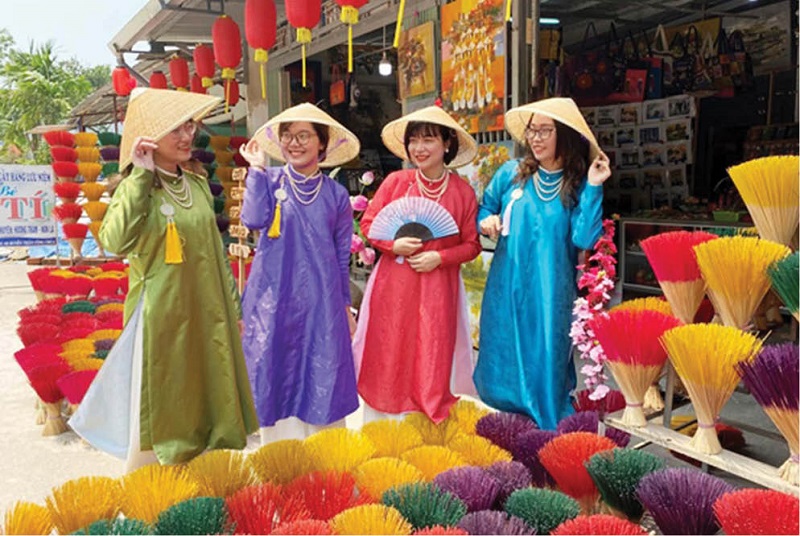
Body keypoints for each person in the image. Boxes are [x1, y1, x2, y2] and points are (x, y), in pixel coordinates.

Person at [70, 88, 258, 471]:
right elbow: (115, 240)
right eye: (175, 129)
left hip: (208, 309)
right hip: (161, 313)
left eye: (189, 126)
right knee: (164, 397)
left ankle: (199, 476)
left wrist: (234, 308)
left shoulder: (198, 184)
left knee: (206, 394)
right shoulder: (134, 188)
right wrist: (141, 175)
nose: (187, 136)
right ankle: (153, 483)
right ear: (149, 138)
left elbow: (216, 252)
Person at [474, 97, 611, 430]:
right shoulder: (511, 174)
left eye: (544, 131)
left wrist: (594, 186)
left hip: (553, 288)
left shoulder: (578, 184)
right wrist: (486, 222)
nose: (535, 138)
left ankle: (546, 427)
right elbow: (484, 209)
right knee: (504, 348)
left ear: (563, 134)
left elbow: (584, 239)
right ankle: (507, 424)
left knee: (546, 355)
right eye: (532, 131)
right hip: (508, 282)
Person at [238, 103, 360, 443]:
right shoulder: (269, 179)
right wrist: (257, 172)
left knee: (320, 374)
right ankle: (280, 463)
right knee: (274, 373)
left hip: (320, 303)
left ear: (322, 143)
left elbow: (340, 258)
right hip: (271, 299)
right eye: (288, 136)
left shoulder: (336, 195)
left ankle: (324, 463)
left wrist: (344, 306)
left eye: (304, 135)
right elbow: (253, 220)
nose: (294, 143)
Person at [353, 105, 481, 424]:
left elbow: (472, 244)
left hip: (439, 285)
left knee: (432, 348)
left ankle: (424, 423)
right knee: (390, 345)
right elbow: (369, 223)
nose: (419, 149)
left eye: (429, 140)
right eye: (414, 141)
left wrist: (441, 257)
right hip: (394, 281)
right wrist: (391, 244)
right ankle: (381, 420)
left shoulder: (463, 192)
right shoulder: (396, 182)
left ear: (447, 144)